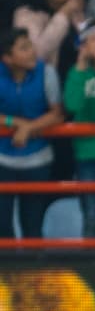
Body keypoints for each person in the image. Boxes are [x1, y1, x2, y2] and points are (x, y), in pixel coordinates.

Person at [0, 26, 62, 238]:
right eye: (24, 48)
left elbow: (57, 114)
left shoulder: (47, 72)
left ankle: (32, 272)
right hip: (3, 159)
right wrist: (13, 121)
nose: (32, 52)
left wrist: (27, 128)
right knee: (2, 227)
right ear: (8, 58)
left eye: (30, 46)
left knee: (33, 226)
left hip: (38, 158)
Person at [13, 0, 83, 66]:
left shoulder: (72, 7)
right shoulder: (26, 15)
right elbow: (36, 54)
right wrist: (63, 13)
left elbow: (89, 39)